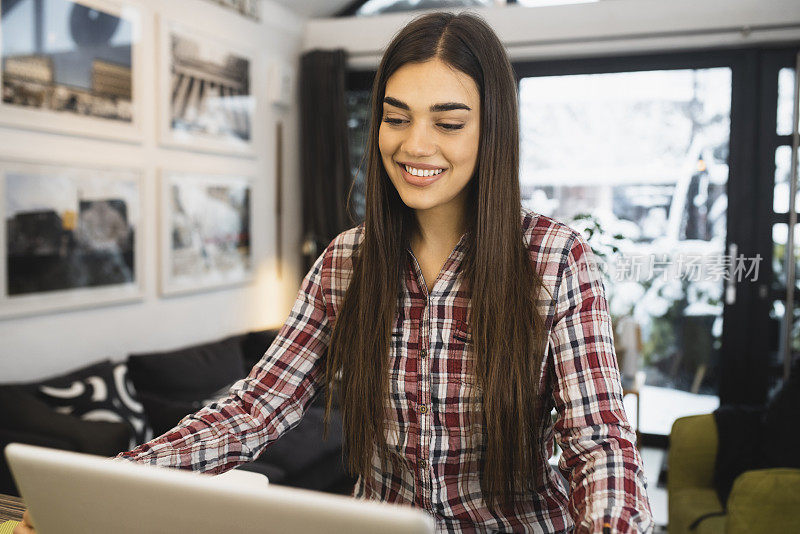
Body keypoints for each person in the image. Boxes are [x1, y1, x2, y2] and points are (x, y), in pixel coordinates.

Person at [15, 11, 653, 534]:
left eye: (448, 122)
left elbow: (598, 441)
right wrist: (125, 479)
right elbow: (257, 407)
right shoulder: (347, 261)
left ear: (492, 131)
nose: (415, 145)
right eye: (396, 116)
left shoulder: (555, 260)